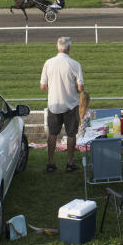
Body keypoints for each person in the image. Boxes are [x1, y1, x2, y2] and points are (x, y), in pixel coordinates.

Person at [40, 37, 84, 172]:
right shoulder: (75, 64)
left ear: (57, 47)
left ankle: (50, 163)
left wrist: (53, 88)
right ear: (69, 48)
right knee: (71, 134)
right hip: (70, 104)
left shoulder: (48, 63)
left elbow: (43, 86)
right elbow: (80, 87)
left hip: (54, 104)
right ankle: (69, 163)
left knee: (52, 134)